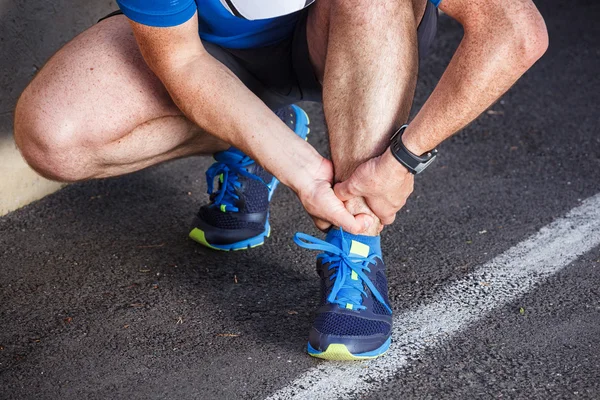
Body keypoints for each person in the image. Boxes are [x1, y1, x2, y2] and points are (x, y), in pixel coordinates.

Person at [13, 0, 548, 360]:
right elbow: (180, 60)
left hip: (354, 37)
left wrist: (400, 161)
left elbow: (515, 32)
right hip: (215, 54)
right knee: (52, 136)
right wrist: (290, 162)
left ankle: (356, 243)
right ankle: (250, 137)